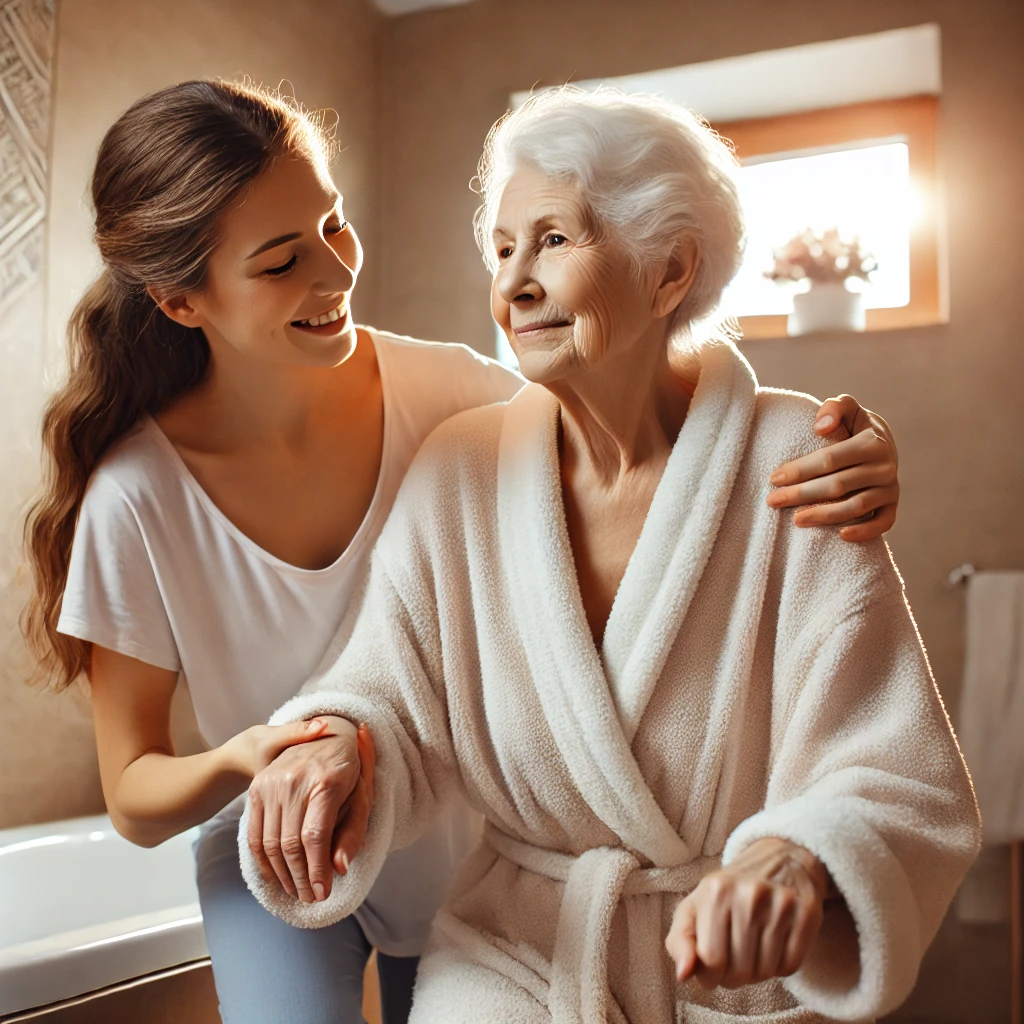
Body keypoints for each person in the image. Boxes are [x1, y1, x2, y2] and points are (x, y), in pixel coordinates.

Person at [23, 80, 899, 1024]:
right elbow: (135, 791)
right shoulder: (138, 497)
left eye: (335, 224)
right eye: (281, 262)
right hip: (286, 841)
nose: (334, 272)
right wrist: (256, 757)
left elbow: (639, 409)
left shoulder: (452, 400)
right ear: (180, 301)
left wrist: (840, 444)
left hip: (464, 847)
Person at [239, 87, 980, 1024]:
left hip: (729, 971)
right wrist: (336, 741)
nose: (512, 285)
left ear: (670, 271)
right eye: (502, 250)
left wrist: (795, 858)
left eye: (553, 240)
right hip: (519, 955)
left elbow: (890, 760)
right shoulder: (459, 472)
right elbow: (392, 691)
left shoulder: (795, 462)